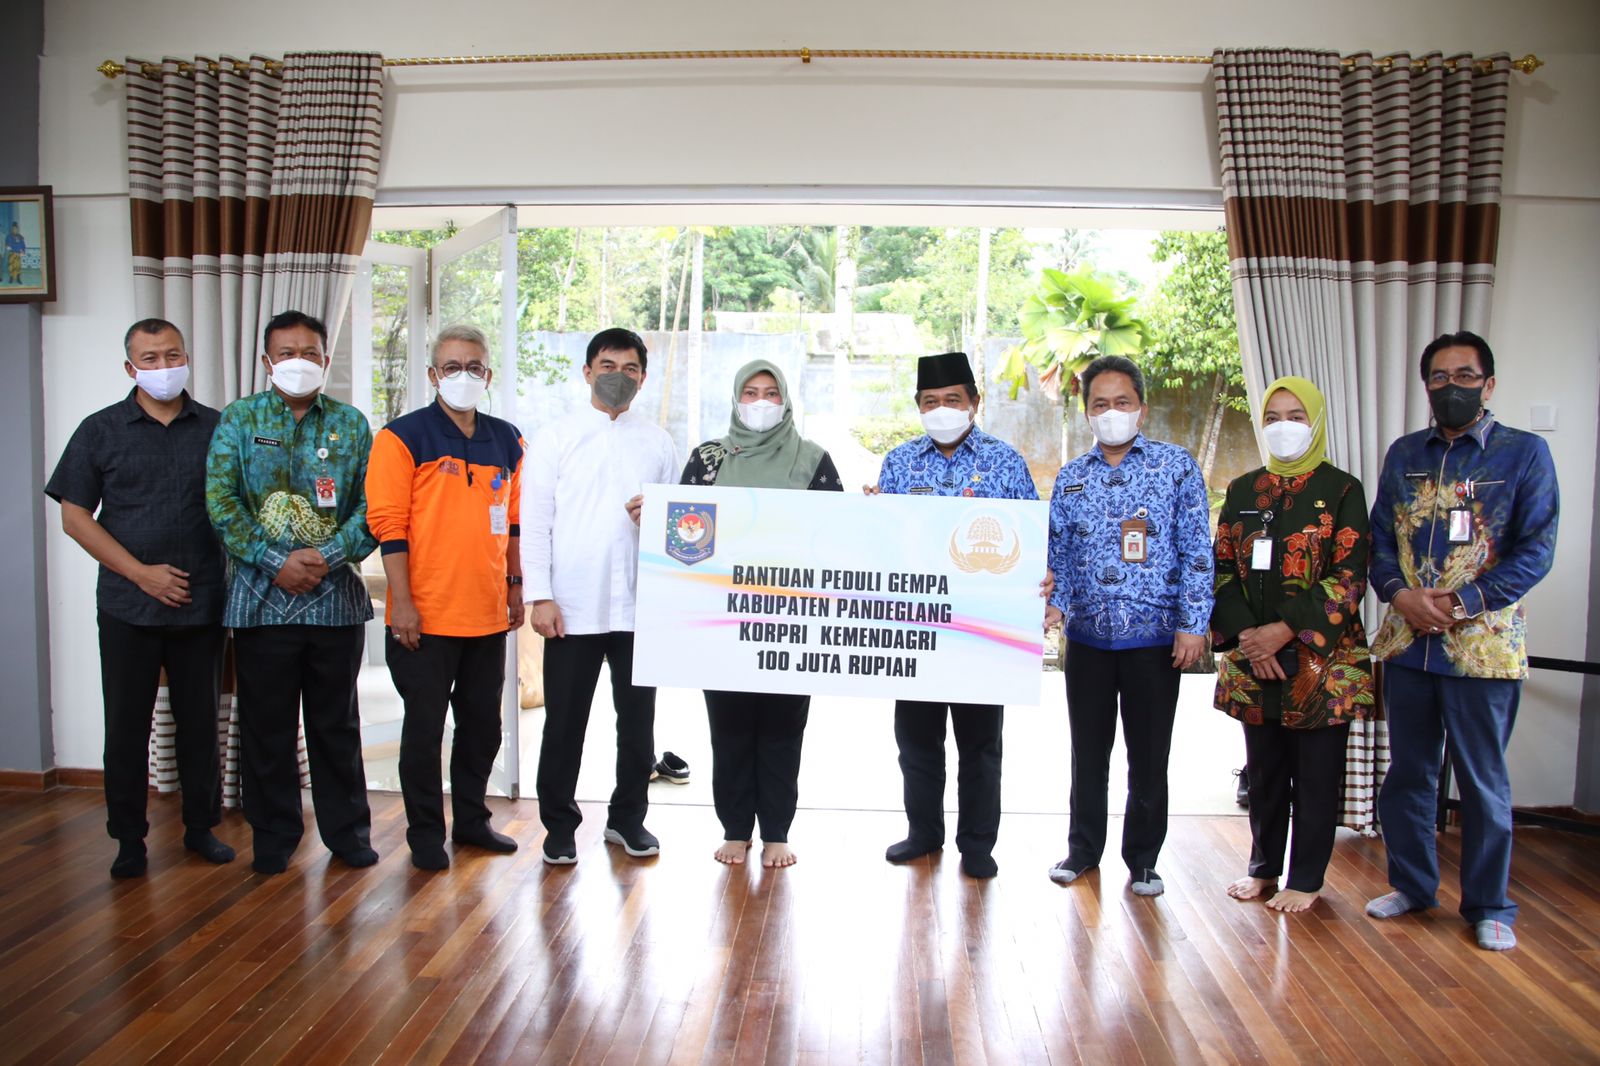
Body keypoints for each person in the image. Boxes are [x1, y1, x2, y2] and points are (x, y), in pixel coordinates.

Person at [1365, 331, 1559, 952]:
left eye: (1465, 376)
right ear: (1427, 387)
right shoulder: (1403, 454)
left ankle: (1490, 905)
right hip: (1409, 643)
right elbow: (1378, 542)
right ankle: (1414, 887)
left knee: (1481, 782)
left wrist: (1462, 602)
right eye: (1440, 378)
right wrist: (1401, 596)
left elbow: (1537, 550)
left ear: (1489, 384)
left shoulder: (1524, 455)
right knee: (1409, 776)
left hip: (1482, 649)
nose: (1452, 387)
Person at [44, 319, 232, 878]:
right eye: (149, 358)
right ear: (130, 368)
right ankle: (129, 839)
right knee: (127, 725)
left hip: (201, 605)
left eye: (172, 354)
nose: (162, 366)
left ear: (187, 358)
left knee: (201, 724)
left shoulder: (218, 429)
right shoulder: (99, 431)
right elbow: (75, 517)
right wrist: (141, 575)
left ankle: (201, 829)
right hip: (128, 607)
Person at [206, 310, 379, 875]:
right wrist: (276, 562)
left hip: (335, 606)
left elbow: (371, 511)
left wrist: (326, 558)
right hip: (261, 605)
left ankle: (348, 834)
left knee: (336, 724)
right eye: (286, 353)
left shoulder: (352, 425)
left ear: (326, 361)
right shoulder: (238, 420)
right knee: (267, 726)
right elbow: (221, 503)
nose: (298, 362)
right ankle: (275, 836)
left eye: (309, 353)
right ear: (266, 361)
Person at [1045, 355, 1212, 896]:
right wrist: (1055, 607)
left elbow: (1196, 552)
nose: (1111, 412)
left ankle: (1143, 859)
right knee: (1087, 751)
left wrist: (1193, 625)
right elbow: (1061, 558)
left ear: (1141, 408)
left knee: (1148, 754)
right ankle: (1081, 851)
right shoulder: (1071, 478)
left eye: (1122, 403)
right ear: (1086, 412)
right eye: (1100, 404)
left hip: (1156, 639)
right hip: (1088, 639)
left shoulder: (1176, 467)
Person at [872, 351, 1040, 880]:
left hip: (983, 630)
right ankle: (923, 832)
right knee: (917, 740)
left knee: (981, 745)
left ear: (973, 402)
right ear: (917, 406)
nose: (941, 409)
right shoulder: (899, 463)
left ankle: (977, 844)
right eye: (930, 401)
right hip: (917, 626)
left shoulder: (1005, 462)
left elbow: (1033, 538)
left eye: (951, 400)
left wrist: (1040, 589)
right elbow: (884, 542)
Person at [365, 325, 526, 871]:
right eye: (452, 366)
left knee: (483, 728)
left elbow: (517, 525)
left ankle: (474, 822)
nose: (464, 375)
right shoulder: (401, 438)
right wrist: (402, 603)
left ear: (488, 374)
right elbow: (388, 525)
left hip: (486, 616)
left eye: (474, 366)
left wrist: (515, 587)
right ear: (434, 375)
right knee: (425, 730)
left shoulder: (509, 440)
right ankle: (425, 836)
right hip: (424, 618)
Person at [1210, 376, 1372, 912]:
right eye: (1273, 417)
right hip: (1255, 661)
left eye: (1296, 416)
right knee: (1265, 772)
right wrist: (1251, 639)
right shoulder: (1242, 490)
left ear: (1317, 422)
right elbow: (1222, 569)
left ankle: (1305, 879)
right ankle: (1262, 869)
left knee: (1318, 773)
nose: (1284, 427)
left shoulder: (1344, 490)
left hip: (1320, 662)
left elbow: (1349, 577)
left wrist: (1282, 631)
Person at [522, 327, 678, 865]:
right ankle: (559, 826)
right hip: (571, 606)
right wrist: (540, 596)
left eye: (630, 368)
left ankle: (628, 820)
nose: (618, 376)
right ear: (587, 372)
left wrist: (657, 517)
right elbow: (535, 522)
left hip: (639, 607)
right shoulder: (556, 437)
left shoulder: (658, 442)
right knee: (565, 724)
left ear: (643, 377)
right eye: (607, 366)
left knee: (638, 725)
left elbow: (680, 532)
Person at [680, 359, 842, 868]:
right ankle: (734, 828)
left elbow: (835, 536)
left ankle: (776, 832)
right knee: (727, 727)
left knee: (781, 727)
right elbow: (684, 535)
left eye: (771, 392)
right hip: (721, 616)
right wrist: (656, 519)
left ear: (787, 400)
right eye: (749, 392)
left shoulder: (813, 459)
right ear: (734, 399)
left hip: (789, 621)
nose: (760, 402)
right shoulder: (706, 459)